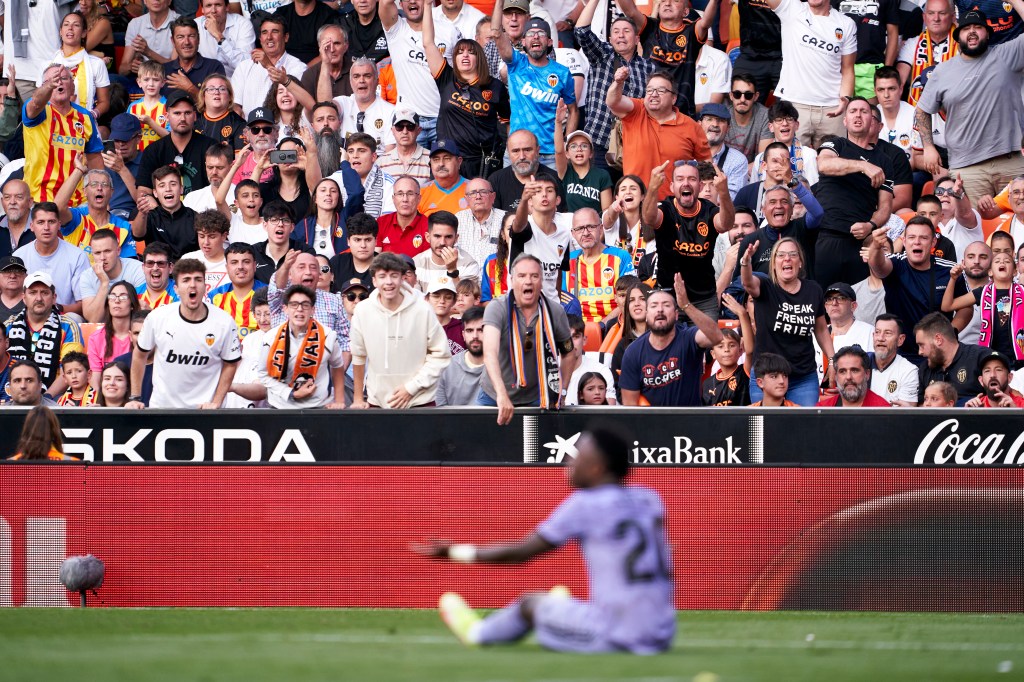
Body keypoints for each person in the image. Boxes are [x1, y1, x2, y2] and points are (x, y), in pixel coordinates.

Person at [412, 427, 674, 654]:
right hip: (661, 632)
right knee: (560, 605)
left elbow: (522, 553)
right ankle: (559, 609)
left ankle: (477, 633)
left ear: (596, 468)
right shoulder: (649, 500)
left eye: (577, 457)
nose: (568, 463)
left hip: (617, 635)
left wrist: (455, 552)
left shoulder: (585, 503)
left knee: (530, 604)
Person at [916, 6, 1024, 201]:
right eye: (966, 28)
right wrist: (928, 147)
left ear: (988, 34)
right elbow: (922, 111)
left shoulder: (1007, 55)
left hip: (1011, 161)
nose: (972, 32)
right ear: (958, 37)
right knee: (971, 227)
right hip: (966, 168)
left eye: (978, 27)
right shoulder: (942, 71)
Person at [127, 258, 242, 409]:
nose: (192, 285)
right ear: (176, 289)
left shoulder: (224, 322)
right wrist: (135, 397)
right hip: (163, 409)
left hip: (204, 411)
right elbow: (139, 354)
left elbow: (231, 364)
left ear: (205, 286)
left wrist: (216, 402)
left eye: (198, 279)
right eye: (186, 280)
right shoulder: (157, 317)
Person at [478, 254, 573, 423]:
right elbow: (490, 353)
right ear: (512, 280)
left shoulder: (555, 311)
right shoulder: (497, 307)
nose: (528, 281)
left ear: (542, 281)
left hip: (537, 397)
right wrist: (501, 395)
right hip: (494, 396)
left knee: (533, 448)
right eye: (522, 276)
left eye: (534, 276)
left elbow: (568, 353)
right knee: (484, 448)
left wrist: (562, 390)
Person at [349, 252, 451, 409]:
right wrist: (357, 399)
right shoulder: (363, 310)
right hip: (378, 402)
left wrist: (411, 388)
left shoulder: (423, 309)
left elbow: (441, 355)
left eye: (394, 276)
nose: (389, 282)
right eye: (382, 276)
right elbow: (358, 355)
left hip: (420, 401)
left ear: (403, 278)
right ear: (374, 280)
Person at [741, 237, 835, 405]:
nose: (787, 259)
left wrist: (833, 360)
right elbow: (748, 283)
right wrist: (746, 262)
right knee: (762, 429)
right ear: (774, 263)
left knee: (803, 428)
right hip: (766, 376)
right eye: (781, 255)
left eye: (793, 254)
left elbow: (820, 329)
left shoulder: (813, 289)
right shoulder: (765, 286)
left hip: (803, 377)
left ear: (800, 262)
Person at [814, 98, 896, 287]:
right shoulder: (837, 145)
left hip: (860, 242)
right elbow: (824, 164)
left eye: (864, 111)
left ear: (872, 121)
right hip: (827, 235)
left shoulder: (884, 161)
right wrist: (862, 166)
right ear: (845, 120)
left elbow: (885, 207)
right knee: (822, 300)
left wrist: (871, 225)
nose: (858, 115)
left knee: (857, 302)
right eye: (852, 111)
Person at [641, 160, 733, 319]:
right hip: (668, 296)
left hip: (704, 299)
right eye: (680, 179)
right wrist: (653, 187)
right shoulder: (667, 208)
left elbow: (725, 224)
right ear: (672, 187)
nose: (686, 183)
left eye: (691, 179)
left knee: (707, 341)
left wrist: (723, 193)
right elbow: (649, 218)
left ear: (700, 186)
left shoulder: (709, 210)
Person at [423, 9, 507, 179]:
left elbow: (507, 123)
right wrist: (427, 5)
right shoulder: (447, 78)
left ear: (479, 58)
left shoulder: (495, 86)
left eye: (471, 52)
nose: (465, 55)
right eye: (460, 52)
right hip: (449, 160)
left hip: (482, 163)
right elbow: (428, 43)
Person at [573, 0, 654, 171]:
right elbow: (581, 31)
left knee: (630, 195)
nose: (621, 35)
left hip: (634, 145)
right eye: (616, 32)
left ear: (637, 38)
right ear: (610, 39)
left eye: (626, 31)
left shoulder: (649, 67)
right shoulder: (602, 54)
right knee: (600, 196)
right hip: (599, 143)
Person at [607, 70, 712, 202]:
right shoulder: (637, 110)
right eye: (650, 90)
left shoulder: (692, 127)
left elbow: (706, 165)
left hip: (675, 206)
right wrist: (618, 82)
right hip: (636, 203)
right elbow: (612, 102)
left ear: (674, 98)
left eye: (661, 91)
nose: (654, 94)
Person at [764, 0, 857, 148]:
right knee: (791, 166)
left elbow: (848, 69)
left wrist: (845, 99)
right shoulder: (792, 9)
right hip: (794, 105)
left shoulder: (846, 23)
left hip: (832, 109)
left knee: (833, 167)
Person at [619, 280, 724, 406]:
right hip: (653, 424)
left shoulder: (689, 337)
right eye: (654, 306)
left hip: (691, 421)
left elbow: (717, 337)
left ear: (676, 315)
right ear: (646, 315)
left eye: (666, 305)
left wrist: (686, 305)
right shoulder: (633, 352)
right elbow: (630, 405)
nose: (660, 310)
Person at [494, 9, 577, 166]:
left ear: (550, 42)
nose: (536, 36)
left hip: (551, 154)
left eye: (541, 33)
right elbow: (497, 33)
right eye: (531, 33)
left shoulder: (562, 72)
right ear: (523, 42)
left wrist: (566, 142)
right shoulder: (516, 63)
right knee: (514, 192)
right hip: (518, 151)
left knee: (552, 192)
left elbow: (573, 110)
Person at [868, 218, 956, 359]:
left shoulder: (949, 269)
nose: (917, 242)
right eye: (912, 237)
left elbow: (966, 310)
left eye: (924, 238)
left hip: (938, 352)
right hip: (900, 355)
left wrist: (950, 332)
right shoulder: (896, 263)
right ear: (903, 241)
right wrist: (876, 246)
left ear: (933, 242)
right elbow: (878, 267)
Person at [615, 0, 718, 116]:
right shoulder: (650, 27)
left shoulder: (691, 32)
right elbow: (631, 12)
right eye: (663, 0)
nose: (667, 3)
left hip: (681, 113)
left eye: (675, 1)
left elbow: (705, 23)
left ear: (685, 11)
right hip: (649, 111)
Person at [379, 0, 459, 148]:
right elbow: (384, 3)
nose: (412, 1)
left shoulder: (449, 30)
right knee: (410, 170)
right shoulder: (396, 28)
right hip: (409, 121)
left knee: (444, 170)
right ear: (400, 4)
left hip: (443, 117)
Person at [255, 284, 347, 409]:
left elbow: (337, 366)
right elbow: (263, 374)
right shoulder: (270, 337)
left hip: (318, 406)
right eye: (294, 305)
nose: (299, 309)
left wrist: (339, 400)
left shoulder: (328, 336)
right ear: (285, 309)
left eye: (305, 305)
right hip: (280, 406)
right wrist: (291, 393)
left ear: (313, 309)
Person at [23, 64, 103, 206]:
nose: (58, 82)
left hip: (78, 202)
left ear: (72, 86)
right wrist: (49, 87)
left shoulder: (85, 117)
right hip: (40, 198)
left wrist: (100, 194)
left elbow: (95, 159)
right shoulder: (39, 111)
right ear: (43, 86)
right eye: (52, 80)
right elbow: (35, 103)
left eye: (64, 78)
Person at [5, 272, 85, 392]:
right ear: (24, 298)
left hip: (54, 397)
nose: (39, 298)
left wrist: (46, 397)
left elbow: (71, 370)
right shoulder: (9, 326)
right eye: (32, 293)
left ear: (54, 298)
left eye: (44, 293)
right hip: (13, 395)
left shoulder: (68, 326)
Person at [943, 251, 1024, 366]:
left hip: (1020, 357)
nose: (1002, 262)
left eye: (1007, 261)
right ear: (990, 271)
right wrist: (953, 279)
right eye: (997, 261)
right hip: (992, 356)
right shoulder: (983, 292)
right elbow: (947, 306)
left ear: (1015, 271)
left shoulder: (1022, 291)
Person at [13, 204, 92, 317]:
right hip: (27, 318)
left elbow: (85, 304)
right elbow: (11, 298)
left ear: (59, 225)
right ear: (31, 226)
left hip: (64, 318)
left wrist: (56, 309)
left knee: (74, 318)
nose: (46, 227)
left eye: (51, 222)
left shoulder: (77, 256)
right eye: (40, 222)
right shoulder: (19, 256)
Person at [136, 90, 218, 197]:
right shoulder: (153, 150)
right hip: (163, 212)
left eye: (187, 113)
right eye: (177, 113)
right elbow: (143, 191)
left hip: (202, 211)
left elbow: (220, 185)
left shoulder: (210, 147)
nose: (182, 118)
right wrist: (157, 211)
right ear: (166, 116)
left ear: (195, 116)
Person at [55, 158, 137, 260]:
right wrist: (79, 170)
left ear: (112, 192)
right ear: (85, 191)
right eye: (94, 184)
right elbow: (57, 208)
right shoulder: (78, 218)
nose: (99, 188)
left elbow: (128, 264)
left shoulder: (123, 227)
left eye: (104, 184)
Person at [563, 208, 636, 322]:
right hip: (577, 330)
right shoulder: (567, 261)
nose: (586, 233)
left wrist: (603, 324)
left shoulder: (620, 257)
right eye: (580, 228)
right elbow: (562, 303)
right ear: (573, 233)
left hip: (613, 327)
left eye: (591, 227)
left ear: (601, 229)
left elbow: (629, 299)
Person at [509, 175, 573, 299]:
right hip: (522, 305)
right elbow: (518, 226)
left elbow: (558, 274)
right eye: (538, 191)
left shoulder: (564, 233)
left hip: (550, 307)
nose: (544, 194)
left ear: (557, 200)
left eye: (549, 190)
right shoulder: (526, 226)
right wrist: (523, 199)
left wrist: (557, 307)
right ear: (530, 201)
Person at [231, 15, 307, 116]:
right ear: (260, 39)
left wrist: (268, 66)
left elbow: (297, 100)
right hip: (249, 128)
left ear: (286, 37)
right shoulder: (244, 67)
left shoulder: (298, 67)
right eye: (264, 32)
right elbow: (235, 104)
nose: (269, 37)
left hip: (282, 129)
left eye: (275, 32)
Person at [46, 10, 110, 120]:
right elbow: (41, 98)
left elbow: (104, 102)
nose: (70, 28)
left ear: (84, 33)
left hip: (84, 124)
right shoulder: (48, 65)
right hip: (53, 123)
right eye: (66, 24)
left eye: (76, 25)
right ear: (60, 31)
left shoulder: (97, 64)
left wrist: (91, 115)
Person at [488, 129, 569, 213]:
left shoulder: (554, 179)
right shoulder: (496, 180)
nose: (522, 156)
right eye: (516, 151)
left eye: (527, 150)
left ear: (537, 151)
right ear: (508, 153)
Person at [914, 310, 986, 405]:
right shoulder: (925, 368)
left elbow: (1001, 397)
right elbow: (919, 407)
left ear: (938, 340)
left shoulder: (980, 358)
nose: (920, 352)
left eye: (922, 345)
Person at [131, 165, 199, 261]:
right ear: (155, 193)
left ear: (181, 189)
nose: (168, 189)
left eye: (173, 184)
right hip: (159, 272)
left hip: (187, 271)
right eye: (162, 185)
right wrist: (142, 213)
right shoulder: (150, 216)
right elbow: (137, 236)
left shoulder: (195, 218)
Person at [77, 230, 146, 323]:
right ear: (92, 254)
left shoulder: (137, 270)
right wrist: (104, 283)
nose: (102, 258)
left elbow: (141, 310)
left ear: (118, 251)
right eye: (97, 253)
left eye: (107, 251)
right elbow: (93, 320)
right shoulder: (87, 276)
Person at [813, 282, 874, 384]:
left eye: (841, 298)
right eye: (829, 299)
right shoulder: (815, 335)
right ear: (825, 307)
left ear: (853, 306)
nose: (834, 303)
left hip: (855, 393)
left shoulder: (869, 332)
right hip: (819, 396)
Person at [329, 58, 395, 152]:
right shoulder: (343, 103)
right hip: (344, 165)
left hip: (377, 165)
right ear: (350, 82)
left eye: (367, 76)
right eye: (356, 76)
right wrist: (325, 64)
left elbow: (390, 155)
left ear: (377, 81)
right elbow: (324, 107)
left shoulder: (390, 111)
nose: (361, 80)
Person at [86, 280, 140, 385]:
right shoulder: (96, 338)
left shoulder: (141, 336)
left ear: (132, 304)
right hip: (108, 395)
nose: (117, 301)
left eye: (123, 297)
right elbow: (95, 380)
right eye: (112, 296)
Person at [703, 295, 753, 406]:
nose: (726, 350)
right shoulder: (707, 384)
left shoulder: (744, 371)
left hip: (743, 422)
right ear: (713, 354)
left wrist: (742, 314)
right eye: (720, 346)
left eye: (731, 345)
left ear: (740, 351)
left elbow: (750, 351)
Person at [413, 211, 481, 291]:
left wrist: (453, 271)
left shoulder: (469, 264)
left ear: (456, 238)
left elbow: (466, 300)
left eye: (448, 237)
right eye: (437, 236)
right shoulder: (416, 264)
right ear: (428, 237)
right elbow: (414, 300)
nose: (442, 242)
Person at [163, 16, 227, 97]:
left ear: (198, 39)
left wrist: (190, 88)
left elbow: (217, 103)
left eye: (191, 36)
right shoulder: (164, 70)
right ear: (173, 41)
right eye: (180, 37)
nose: (186, 42)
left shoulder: (214, 67)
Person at [554, 127, 612, 215]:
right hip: (571, 225)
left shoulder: (602, 175)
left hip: (594, 226)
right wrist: (558, 122)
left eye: (584, 145)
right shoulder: (565, 172)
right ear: (567, 154)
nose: (579, 149)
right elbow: (558, 151)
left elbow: (606, 213)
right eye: (573, 146)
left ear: (591, 153)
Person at [436, 305, 486, 406]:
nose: (475, 336)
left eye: (480, 330)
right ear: (463, 335)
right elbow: (440, 414)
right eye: (469, 330)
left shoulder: (501, 366)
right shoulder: (447, 367)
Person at [869, 313, 920, 405]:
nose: (880, 338)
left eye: (887, 333)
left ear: (900, 340)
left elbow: (906, 414)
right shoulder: (860, 363)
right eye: (877, 332)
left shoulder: (908, 371)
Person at [119, 0, 179, 77]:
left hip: (167, 79)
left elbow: (174, 69)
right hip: (142, 80)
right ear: (145, 1)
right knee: (113, 79)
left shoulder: (180, 23)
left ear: (169, 1)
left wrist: (148, 52)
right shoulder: (135, 24)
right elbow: (122, 70)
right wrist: (132, 66)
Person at [816, 345, 891, 407]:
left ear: (867, 374)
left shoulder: (883, 410)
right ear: (836, 376)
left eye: (854, 370)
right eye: (842, 371)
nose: (848, 377)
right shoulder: (822, 410)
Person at [196, 0, 256, 78]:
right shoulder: (195, 26)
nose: (213, 10)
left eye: (218, 5)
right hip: (204, 82)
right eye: (208, 6)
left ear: (227, 7)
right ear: (202, 9)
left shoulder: (243, 24)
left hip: (236, 80)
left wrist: (219, 36)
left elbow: (245, 66)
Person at [376, 108, 433, 188]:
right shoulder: (381, 163)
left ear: (418, 130)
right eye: (399, 127)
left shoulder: (431, 159)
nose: (405, 131)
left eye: (410, 127)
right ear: (392, 130)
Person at [455, 179, 505, 267]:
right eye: (472, 193)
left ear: (493, 197)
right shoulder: (458, 219)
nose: (478, 196)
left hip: (496, 278)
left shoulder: (505, 219)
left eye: (483, 192)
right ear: (466, 199)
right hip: (464, 278)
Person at [376, 176, 430, 258]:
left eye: (410, 194)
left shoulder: (428, 226)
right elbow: (374, 259)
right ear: (393, 199)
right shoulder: (381, 223)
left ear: (419, 199)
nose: (405, 199)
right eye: (400, 194)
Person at [724, 73, 773, 163]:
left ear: (756, 96)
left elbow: (763, 159)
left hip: (754, 172)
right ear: (731, 95)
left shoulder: (765, 116)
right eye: (737, 94)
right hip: (725, 170)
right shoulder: (723, 115)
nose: (742, 99)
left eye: (748, 95)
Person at [104, 115, 144, 221]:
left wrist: (122, 169)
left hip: (133, 217)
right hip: (105, 214)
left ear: (138, 139)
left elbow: (144, 202)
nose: (121, 144)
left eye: (125, 140)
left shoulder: (147, 161)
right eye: (117, 140)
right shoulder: (104, 160)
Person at [304, 25, 354, 103]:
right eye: (327, 44)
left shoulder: (357, 71)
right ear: (320, 47)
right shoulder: (310, 74)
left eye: (337, 43)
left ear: (346, 46)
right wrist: (325, 64)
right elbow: (308, 109)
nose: (332, 49)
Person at [196, 76, 247, 151]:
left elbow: (240, 160)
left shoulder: (239, 124)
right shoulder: (193, 120)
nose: (216, 92)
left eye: (222, 89)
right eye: (211, 89)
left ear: (230, 96)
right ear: (203, 96)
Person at [419, 140, 469, 218]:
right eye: (436, 160)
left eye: (447, 158)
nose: (441, 164)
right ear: (430, 164)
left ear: (459, 162)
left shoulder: (474, 190)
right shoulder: (421, 192)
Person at [329, 212, 377, 293]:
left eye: (368, 240)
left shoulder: (385, 266)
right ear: (348, 241)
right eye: (357, 240)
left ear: (376, 241)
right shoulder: (337, 263)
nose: (363, 245)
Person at [129, 61, 170, 153]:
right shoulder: (133, 107)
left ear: (163, 82)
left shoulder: (168, 106)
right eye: (146, 79)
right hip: (137, 157)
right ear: (139, 82)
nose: (151, 84)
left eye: (156, 80)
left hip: (161, 155)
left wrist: (150, 122)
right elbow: (126, 132)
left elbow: (171, 137)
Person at [426, 276, 465, 355]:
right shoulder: (418, 327)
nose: (442, 301)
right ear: (427, 299)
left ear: (454, 301)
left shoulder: (463, 328)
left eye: (448, 297)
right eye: (436, 296)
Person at [135, 243, 179, 310]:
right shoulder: (134, 294)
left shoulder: (180, 292)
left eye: (161, 263)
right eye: (150, 263)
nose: (155, 268)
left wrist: (149, 312)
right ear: (143, 267)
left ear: (170, 268)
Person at [0, 181, 36, 261]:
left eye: (19, 197)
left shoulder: (43, 226)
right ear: (2, 202)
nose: (12, 202)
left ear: (30, 202)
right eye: (7, 197)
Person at [0, 256, 27, 326]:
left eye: (18, 271)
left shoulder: (33, 302)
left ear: (26, 276)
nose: (12, 276)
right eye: (7, 271)